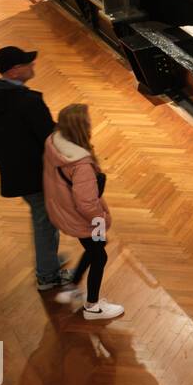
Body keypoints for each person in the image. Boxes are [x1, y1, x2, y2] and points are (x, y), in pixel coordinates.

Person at [0, 46, 74, 291]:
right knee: (45, 222)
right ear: (13, 71)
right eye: (27, 64)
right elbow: (48, 137)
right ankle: (47, 275)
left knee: (43, 218)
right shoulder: (27, 102)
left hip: (15, 173)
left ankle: (48, 262)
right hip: (36, 175)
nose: (33, 66)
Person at [42, 104, 124, 320]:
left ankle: (71, 288)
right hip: (85, 220)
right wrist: (102, 220)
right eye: (87, 122)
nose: (90, 125)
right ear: (80, 128)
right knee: (100, 255)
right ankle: (92, 307)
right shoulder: (81, 165)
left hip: (65, 211)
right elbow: (87, 204)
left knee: (96, 248)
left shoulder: (53, 143)